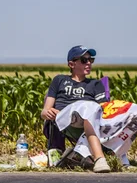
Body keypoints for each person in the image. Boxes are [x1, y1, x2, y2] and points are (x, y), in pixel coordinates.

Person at [41, 45, 111, 173]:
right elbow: (44, 111)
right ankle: (98, 158)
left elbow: (104, 110)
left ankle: (96, 157)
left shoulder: (95, 84)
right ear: (71, 64)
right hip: (63, 118)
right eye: (84, 60)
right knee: (86, 107)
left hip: (87, 121)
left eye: (91, 60)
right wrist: (47, 112)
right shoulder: (59, 80)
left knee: (89, 108)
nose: (89, 63)